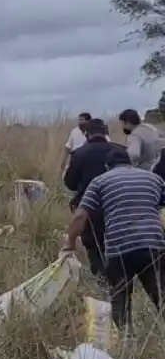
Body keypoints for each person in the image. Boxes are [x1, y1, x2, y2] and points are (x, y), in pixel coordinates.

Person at [63, 149, 165, 330]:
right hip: (153, 245)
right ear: (130, 163)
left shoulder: (100, 181)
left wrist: (70, 243)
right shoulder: (153, 179)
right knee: (161, 296)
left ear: (107, 166)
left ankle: (126, 341)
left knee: (120, 300)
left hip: (119, 249)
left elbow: (80, 215)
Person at [62, 118, 123, 279]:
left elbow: (70, 183)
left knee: (94, 246)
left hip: (89, 209)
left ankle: (102, 280)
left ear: (86, 134)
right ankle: (120, 279)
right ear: (106, 132)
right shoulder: (121, 151)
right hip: (119, 206)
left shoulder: (79, 153)